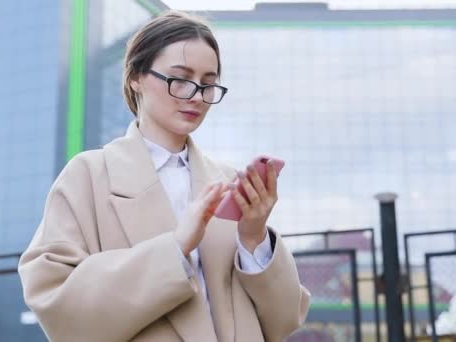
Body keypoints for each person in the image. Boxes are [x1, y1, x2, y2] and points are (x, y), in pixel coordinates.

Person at [18, 10, 310, 342]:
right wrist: (174, 248)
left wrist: (254, 237)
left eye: (208, 84)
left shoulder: (228, 182)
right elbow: (57, 304)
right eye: (180, 79)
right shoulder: (88, 176)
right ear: (136, 77)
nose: (197, 96)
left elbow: (285, 319)